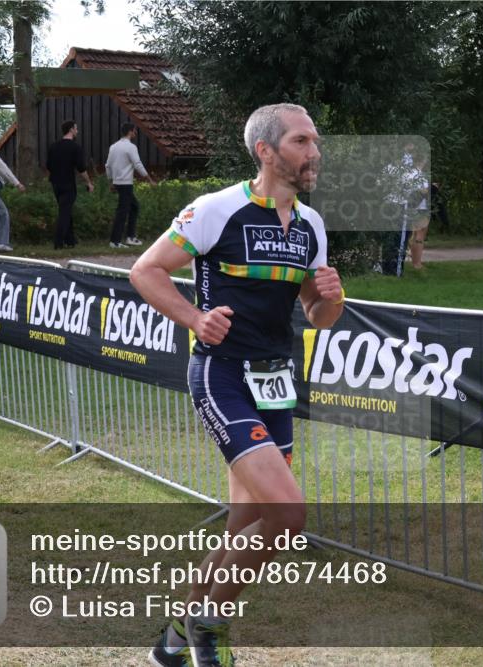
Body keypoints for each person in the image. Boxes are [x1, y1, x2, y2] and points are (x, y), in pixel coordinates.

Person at [130, 103, 344, 667]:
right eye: (302, 141)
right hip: (222, 376)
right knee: (288, 514)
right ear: (267, 152)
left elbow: (318, 316)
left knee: (245, 525)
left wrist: (333, 295)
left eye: (315, 141)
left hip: (275, 381)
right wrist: (195, 319)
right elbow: (146, 270)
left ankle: (175, 640)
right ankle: (210, 626)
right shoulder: (216, 209)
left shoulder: (310, 224)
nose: (314, 152)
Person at [46, 119, 94, 249]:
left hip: (55, 183)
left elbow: (48, 165)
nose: (77, 131)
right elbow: (81, 168)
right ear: (71, 130)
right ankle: (58, 242)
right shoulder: (75, 147)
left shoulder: (54, 146)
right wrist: (89, 182)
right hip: (68, 183)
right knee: (65, 212)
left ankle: (70, 240)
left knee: (65, 210)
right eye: (76, 128)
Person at [106, 123, 155, 248]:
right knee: (122, 211)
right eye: (134, 131)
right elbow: (137, 164)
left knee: (134, 207)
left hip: (117, 182)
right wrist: (149, 179)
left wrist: (111, 181)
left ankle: (130, 237)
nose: (135, 133)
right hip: (126, 183)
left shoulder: (114, 147)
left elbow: (108, 165)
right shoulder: (131, 147)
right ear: (130, 132)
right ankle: (115, 241)